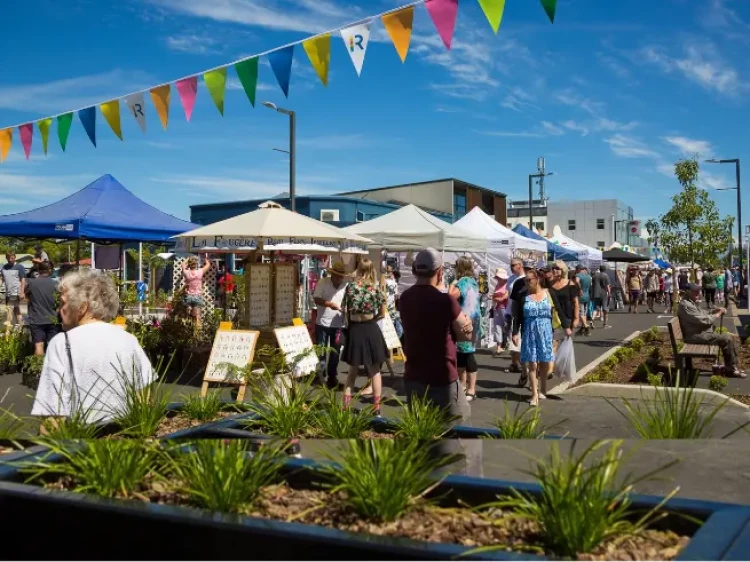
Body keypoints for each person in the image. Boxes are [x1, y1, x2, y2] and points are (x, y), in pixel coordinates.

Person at [30, 270, 155, 426]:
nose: (58, 310)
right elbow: (144, 400)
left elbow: (52, 415)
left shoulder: (62, 343)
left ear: (82, 307)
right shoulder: (129, 340)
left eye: (63, 303)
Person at [399, 248, 472, 421]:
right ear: (439, 272)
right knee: (457, 424)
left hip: (414, 374)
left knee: (421, 428)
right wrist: (467, 324)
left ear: (416, 270)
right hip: (442, 376)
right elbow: (465, 336)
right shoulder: (446, 301)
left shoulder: (405, 298)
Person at [341, 258, 388, 414]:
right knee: (374, 370)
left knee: (352, 371)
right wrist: (373, 319)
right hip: (371, 329)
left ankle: (345, 406)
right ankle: (376, 407)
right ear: (372, 269)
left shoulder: (351, 287)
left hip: (355, 329)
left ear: (359, 269)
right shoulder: (375, 289)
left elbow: (344, 310)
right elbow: (382, 313)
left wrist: (348, 326)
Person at [511, 269, 560, 406]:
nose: (526, 283)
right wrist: (515, 332)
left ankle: (542, 388)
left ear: (537, 279)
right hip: (529, 332)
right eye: (525, 280)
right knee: (532, 364)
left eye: (529, 280)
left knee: (544, 363)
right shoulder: (523, 295)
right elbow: (517, 316)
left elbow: (559, 311)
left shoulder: (548, 293)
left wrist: (567, 327)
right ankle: (534, 395)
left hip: (545, 332)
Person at [677, 283, 746, 379]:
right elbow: (704, 320)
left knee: (726, 338)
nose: (698, 294)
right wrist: (718, 314)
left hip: (700, 332)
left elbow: (703, 313)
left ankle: (732, 367)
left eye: (699, 292)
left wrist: (715, 310)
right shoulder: (686, 305)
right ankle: (731, 370)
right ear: (688, 292)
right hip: (695, 336)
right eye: (695, 292)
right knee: (726, 339)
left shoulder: (690, 302)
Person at [449, 257, 481, 402]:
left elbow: (450, 297)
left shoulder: (462, 282)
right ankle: (465, 386)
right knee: (463, 354)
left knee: (466, 355)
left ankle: (470, 388)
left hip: (465, 322)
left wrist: (452, 283)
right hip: (473, 321)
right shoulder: (473, 281)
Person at [312, 260, 348, 390]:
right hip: (322, 322)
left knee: (335, 352)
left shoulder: (346, 285)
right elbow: (316, 298)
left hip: (339, 324)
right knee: (321, 350)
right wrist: (329, 304)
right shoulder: (323, 282)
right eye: (337, 275)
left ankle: (332, 376)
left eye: (341, 276)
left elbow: (348, 302)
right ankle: (320, 375)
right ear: (332, 274)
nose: (339, 278)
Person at [24, 262, 60, 355]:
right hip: (53, 319)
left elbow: (26, 297)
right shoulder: (55, 284)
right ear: (50, 270)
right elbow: (60, 301)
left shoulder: (32, 282)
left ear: (39, 270)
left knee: (39, 345)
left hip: (36, 318)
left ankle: (38, 368)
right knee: (52, 346)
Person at [548, 261, 578, 353]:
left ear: (563, 270)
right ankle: (552, 363)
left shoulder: (570, 284)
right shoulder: (550, 284)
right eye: (553, 268)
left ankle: (560, 363)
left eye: (557, 268)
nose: (554, 270)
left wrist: (576, 318)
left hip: (568, 316)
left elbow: (576, 302)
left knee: (565, 342)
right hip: (554, 316)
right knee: (554, 340)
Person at [503, 258, 525, 375]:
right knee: (512, 340)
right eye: (510, 265)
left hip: (519, 313)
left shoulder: (524, 279)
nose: (511, 267)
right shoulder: (511, 279)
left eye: (514, 265)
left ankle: (525, 367)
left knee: (517, 340)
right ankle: (515, 363)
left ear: (520, 265)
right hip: (509, 311)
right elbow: (508, 295)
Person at [181, 254, 212, 327]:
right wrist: (205, 258)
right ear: (196, 264)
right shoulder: (200, 272)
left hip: (188, 297)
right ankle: (196, 334)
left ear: (189, 264)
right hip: (197, 297)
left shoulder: (186, 272)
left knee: (189, 316)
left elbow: (182, 264)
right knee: (197, 317)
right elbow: (208, 265)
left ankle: (189, 330)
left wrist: (188, 258)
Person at [1, 252, 26, 326]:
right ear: (6, 258)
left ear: (15, 257)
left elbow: (23, 280)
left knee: (9, 308)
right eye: (8, 258)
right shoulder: (4, 267)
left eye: (12, 258)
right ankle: (20, 325)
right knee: (16, 309)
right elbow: (2, 278)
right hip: (8, 292)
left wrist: (22, 292)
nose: (10, 260)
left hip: (15, 291)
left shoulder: (19, 267)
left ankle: (8, 327)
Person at [491, 268, 509, 357]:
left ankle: (507, 345)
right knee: (497, 326)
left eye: (499, 277)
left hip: (505, 308)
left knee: (507, 326)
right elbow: (495, 297)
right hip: (497, 308)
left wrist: (497, 298)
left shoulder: (507, 285)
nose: (498, 279)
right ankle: (499, 346)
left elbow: (505, 297)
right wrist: (496, 298)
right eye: (497, 277)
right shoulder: (498, 285)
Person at [384, 265, 403, 339]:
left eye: (389, 271)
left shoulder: (393, 282)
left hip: (391, 308)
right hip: (388, 307)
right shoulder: (387, 281)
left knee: (398, 328)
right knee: (397, 328)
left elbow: (395, 296)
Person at [575, 265, 592, 336]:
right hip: (587, 296)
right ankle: (582, 328)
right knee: (584, 312)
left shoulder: (578, 275)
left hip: (580, 297)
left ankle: (586, 326)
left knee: (581, 313)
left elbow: (576, 281)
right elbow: (590, 285)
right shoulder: (588, 276)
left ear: (578, 269)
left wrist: (579, 289)